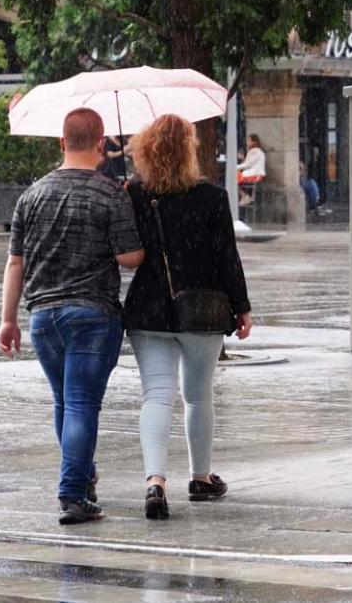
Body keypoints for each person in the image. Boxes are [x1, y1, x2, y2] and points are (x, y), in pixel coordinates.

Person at [0, 108, 144, 526]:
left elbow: (15, 263)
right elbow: (129, 257)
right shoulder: (110, 193)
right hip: (92, 314)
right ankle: (73, 494)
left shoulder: (32, 195)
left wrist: (8, 320)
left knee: (65, 401)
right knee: (81, 403)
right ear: (101, 144)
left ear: (62, 142)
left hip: (43, 318)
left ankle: (81, 476)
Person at [124, 114, 252, 521]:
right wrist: (242, 307)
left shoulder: (134, 194)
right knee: (198, 396)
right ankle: (200, 477)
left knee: (156, 395)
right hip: (201, 308)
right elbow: (227, 257)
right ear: (189, 150)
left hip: (149, 309)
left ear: (146, 150)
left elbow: (126, 251)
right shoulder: (212, 197)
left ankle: (155, 482)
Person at [236, 133, 266, 205]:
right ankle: (244, 196)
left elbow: (248, 164)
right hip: (255, 174)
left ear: (254, 142)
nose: (247, 142)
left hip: (255, 175)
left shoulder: (255, 151)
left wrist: (235, 167)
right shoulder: (257, 151)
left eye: (249, 141)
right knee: (235, 177)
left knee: (233, 178)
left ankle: (244, 196)